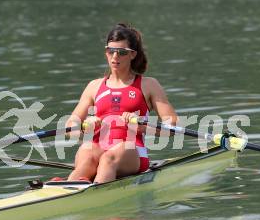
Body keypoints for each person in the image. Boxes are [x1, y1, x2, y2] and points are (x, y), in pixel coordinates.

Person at [66, 23, 178, 184]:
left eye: (121, 52)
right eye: (110, 51)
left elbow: (172, 124)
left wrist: (143, 126)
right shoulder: (94, 86)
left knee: (108, 159)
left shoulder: (148, 85)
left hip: (132, 151)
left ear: (132, 54)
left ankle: (97, 197)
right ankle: (63, 194)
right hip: (98, 147)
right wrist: (85, 127)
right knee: (87, 155)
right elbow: (71, 126)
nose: (115, 57)